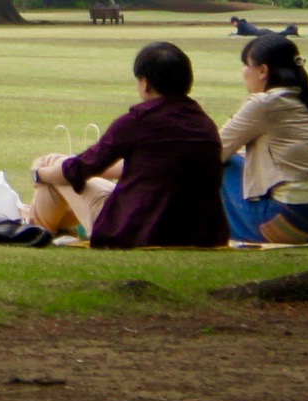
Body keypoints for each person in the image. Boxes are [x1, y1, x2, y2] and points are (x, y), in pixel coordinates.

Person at [25, 40, 227, 249]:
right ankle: (48, 228)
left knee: (53, 164)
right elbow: (152, 168)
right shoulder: (204, 124)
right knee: (62, 171)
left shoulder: (138, 121)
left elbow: (79, 168)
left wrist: (39, 174)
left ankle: (34, 231)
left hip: (139, 230)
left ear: (145, 83)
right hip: (201, 232)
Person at [217, 32, 308, 245]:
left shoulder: (263, 103)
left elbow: (213, 151)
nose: (243, 72)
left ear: (263, 71)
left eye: (246, 65)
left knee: (223, 164)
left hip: (290, 222)